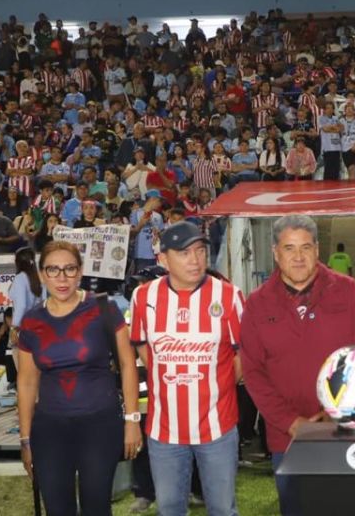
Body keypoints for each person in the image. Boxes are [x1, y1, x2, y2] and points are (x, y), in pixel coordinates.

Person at [240, 215, 355, 516]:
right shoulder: (257, 302)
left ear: (317, 249)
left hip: (343, 429)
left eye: (305, 247)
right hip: (286, 437)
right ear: (275, 252)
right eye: (289, 248)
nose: (298, 257)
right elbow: (253, 372)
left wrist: (334, 414)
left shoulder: (347, 290)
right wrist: (291, 422)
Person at [16, 240, 141, 516]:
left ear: (80, 271)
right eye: (53, 270)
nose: (62, 278)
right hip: (50, 429)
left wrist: (132, 421)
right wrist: (26, 440)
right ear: (42, 274)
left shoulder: (104, 308)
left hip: (100, 425)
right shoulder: (31, 321)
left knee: (96, 507)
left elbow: (127, 364)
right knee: (57, 509)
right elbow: (26, 383)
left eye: (69, 269)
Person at [129, 221, 244, 516]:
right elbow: (142, 345)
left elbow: (243, 354)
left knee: (222, 508)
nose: (195, 260)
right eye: (184, 253)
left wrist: (216, 387)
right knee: (169, 508)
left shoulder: (229, 296)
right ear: (163, 259)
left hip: (217, 427)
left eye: (200, 251)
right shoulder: (143, 297)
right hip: (164, 429)